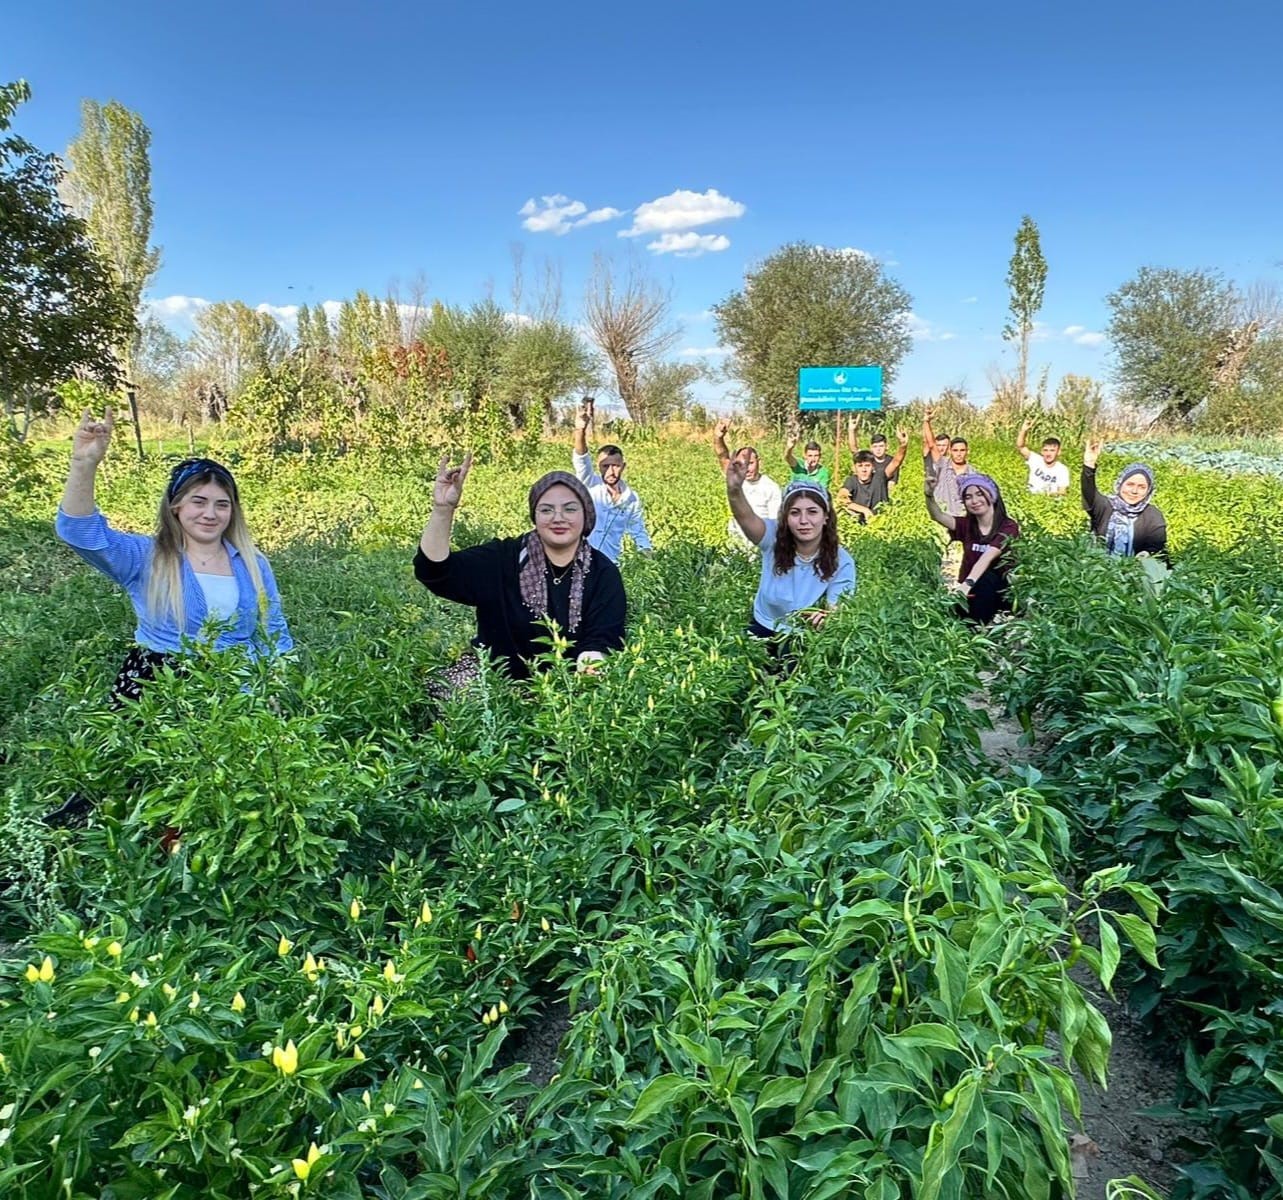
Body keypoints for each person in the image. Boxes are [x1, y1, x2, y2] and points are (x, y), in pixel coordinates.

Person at [55, 407, 293, 704]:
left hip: (237, 690)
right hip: (157, 690)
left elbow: (273, 629)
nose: (210, 514)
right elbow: (79, 532)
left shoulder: (252, 564)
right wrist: (83, 464)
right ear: (176, 506)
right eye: (199, 501)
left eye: (222, 504)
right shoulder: (146, 557)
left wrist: (275, 685)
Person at [414, 456, 626, 683]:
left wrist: (586, 674)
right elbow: (435, 571)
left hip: (567, 685)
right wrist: (442, 509)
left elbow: (603, 637)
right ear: (534, 516)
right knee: (448, 690)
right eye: (546, 510)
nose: (558, 518)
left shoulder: (603, 573)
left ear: (586, 516)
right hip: (495, 680)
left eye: (570, 509)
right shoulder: (502, 558)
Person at [726, 463, 855, 641]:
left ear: (826, 517)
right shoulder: (773, 537)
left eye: (812, 512)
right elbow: (746, 518)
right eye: (795, 513)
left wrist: (827, 618)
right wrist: (734, 490)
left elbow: (838, 607)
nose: (804, 520)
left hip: (802, 634)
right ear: (785, 518)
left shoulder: (841, 560)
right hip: (764, 623)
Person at [925, 471, 1020, 625]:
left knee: (987, 579)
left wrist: (967, 584)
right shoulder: (967, 525)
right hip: (972, 590)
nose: (974, 501)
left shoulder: (1008, 526)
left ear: (992, 495)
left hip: (1001, 592)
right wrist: (929, 495)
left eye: (979, 494)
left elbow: (989, 555)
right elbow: (938, 516)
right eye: (968, 497)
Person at [571, 401, 651, 563]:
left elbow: (638, 530)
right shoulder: (589, 484)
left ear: (623, 467)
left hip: (611, 565)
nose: (610, 471)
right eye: (605, 466)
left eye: (615, 466)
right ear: (598, 467)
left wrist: (648, 557)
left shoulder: (631, 498)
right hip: (581, 561)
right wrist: (580, 429)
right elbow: (581, 458)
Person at [1082, 440, 1167, 559]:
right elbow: (1088, 493)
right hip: (1099, 570)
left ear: (1149, 491)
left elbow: (1157, 545)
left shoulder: (1153, 514)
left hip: (1137, 570)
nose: (1134, 491)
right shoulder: (1105, 506)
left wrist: (1145, 555)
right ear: (1120, 484)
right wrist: (1089, 465)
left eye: (1142, 487)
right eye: (1130, 484)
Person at [713, 418, 781, 545]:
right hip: (736, 543)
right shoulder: (737, 479)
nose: (746, 469)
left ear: (759, 462)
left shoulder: (771, 487)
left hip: (759, 545)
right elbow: (722, 456)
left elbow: (775, 524)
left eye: (750, 463)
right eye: (741, 464)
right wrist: (718, 437)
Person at [922, 406, 969, 518]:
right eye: (955, 450)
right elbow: (930, 443)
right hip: (941, 514)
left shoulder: (972, 472)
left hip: (961, 516)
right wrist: (926, 421)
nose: (958, 454)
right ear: (951, 451)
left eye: (962, 450)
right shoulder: (942, 463)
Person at [1017, 420, 1069, 495]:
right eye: (1046, 450)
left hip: (1049, 502)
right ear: (1042, 451)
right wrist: (1024, 430)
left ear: (1058, 452)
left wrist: (1047, 495)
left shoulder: (1062, 469)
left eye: (1052, 451)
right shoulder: (1035, 460)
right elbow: (1021, 447)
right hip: (1030, 497)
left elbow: (1062, 492)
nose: (1048, 454)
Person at [848, 420, 907, 486]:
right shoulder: (868, 458)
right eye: (875, 446)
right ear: (871, 448)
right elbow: (854, 449)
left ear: (887, 447)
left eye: (881, 446)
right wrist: (851, 431)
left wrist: (903, 444)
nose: (878, 449)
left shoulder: (891, 462)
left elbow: (891, 484)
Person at [837, 452, 890, 524]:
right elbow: (841, 498)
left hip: (881, 522)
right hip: (858, 524)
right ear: (854, 468)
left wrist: (903, 446)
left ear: (873, 467)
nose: (864, 470)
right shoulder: (851, 481)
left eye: (867, 466)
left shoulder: (879, 477)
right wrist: (864, 510)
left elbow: (896, 463)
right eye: (860, 466)